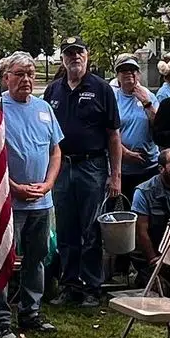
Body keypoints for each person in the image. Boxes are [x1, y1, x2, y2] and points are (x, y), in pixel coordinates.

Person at [44, 39, 120, 309]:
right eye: (69, 54)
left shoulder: (101, 89)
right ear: (62, 59)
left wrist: (116, 175)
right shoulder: (54, 90)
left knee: (90, 229)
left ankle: (91, 286)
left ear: (87, 56)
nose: (74, 58)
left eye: (79, 53)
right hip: (62, 167)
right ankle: (69, 284)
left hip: (92, 166)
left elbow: (113, 135)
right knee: (65, 227)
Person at [0, 53, 62, 338]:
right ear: (6, 76)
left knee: (36, 258)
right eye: (19, 73)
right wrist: (12, 186)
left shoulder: (44, 108)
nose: (26, 79)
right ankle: (0, 319)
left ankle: (30, 311)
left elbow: (55, 151)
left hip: (41, 201)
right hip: (9, 199)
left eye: (30, 74)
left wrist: (48, 184)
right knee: (2, 259)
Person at [112, 55, 160, 195]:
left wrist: (146, 103)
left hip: (149, 165)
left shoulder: (149, 95)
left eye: (133, 70)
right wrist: (125, 153)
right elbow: (107, 131)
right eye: (124, 70)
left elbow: (158, 125)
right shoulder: (113, 97)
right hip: (124, 168)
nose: (129, 73)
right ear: (117, 76)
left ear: (138, 74)